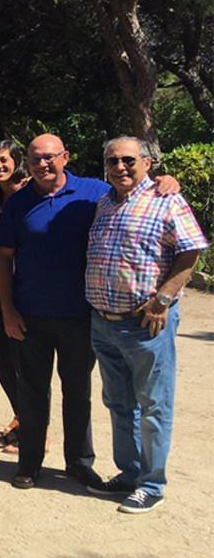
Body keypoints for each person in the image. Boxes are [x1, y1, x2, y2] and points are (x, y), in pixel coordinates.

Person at [0, 133, 178, 491]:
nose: (43, 164)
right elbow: (4, 258)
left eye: (50, 157)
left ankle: (79, 463)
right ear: (27, 164)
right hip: (29, 314)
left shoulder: (95, 192)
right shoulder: (19, 202)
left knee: (77, 391)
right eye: (35, 159)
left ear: (65, 156)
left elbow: (135, 187)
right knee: (32, 391)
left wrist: (165, 181)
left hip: (81, 315)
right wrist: (7, 310)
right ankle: (30, 462)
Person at [84, 136, 207, 514]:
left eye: (127, 160)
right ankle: (130, 474)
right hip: (103, 322)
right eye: (112, 161)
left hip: (145, 324)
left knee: (153, 405)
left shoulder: (166, 199)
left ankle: (152, 484)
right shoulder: (105, 202)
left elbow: (192, 250)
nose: (120, 167)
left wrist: (163, 300)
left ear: (147, 162)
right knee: (119, 403)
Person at [0, 140, 29, 453]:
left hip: (31, 285)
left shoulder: (31, 192)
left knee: (26, 360)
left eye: (3, 161)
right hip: (4, 284)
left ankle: (33, 427)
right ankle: (25, 418)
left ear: (16, 161)